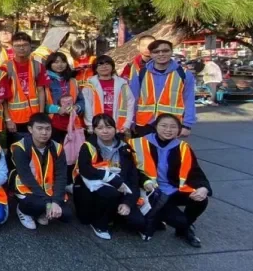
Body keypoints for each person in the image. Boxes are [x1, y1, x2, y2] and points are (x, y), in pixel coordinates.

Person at [131, 113, 211, 247]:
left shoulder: (182, 147)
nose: (168, 130)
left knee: (201, 199)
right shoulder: (138, 143)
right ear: (155, 127)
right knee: (180, 220)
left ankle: (182, 230)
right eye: (164, 126)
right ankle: (181, 226)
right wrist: (145, 182)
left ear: (179, 129)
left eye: (173, 127)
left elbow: (194, 171)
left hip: (174, 189)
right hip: (151, 192)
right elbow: (132, 171)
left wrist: (203, 188)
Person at [73, 114, 145, 240]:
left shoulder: (125, 148)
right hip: (90, 188)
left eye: (109, 127)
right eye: (100, 128)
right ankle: (99, 224)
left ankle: (114, 214)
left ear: (115, 128)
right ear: (94, 130)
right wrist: (110, 177)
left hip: (120, 189)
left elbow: (133, 178)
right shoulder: (88, 146)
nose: (105, 131)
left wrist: (127, 203)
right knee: (108, 195)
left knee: (138, 222)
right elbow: (85, 170)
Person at [10, 113, 70, 230]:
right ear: (30, 129)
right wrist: (48, 203)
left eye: (48, 129)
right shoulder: (21, 148)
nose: (44, 133)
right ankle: (23, 211)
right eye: (40, 128)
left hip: (48, 189)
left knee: (66, 214)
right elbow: (27, 178)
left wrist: (56, 202)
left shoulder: (57, 148)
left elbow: (61, 176)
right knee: (40, 205)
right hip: (27, 188)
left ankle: (43, 211)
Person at [130, 39, 196, 137]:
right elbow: (132, 99)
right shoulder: (141, 73)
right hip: (144, 124)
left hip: (171, 125)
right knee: (143, 152)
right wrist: (130, 122)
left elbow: (189, 100)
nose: (161, 54)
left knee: (168, 152)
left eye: (165, 51)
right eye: (156, 52)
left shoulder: (184, 74)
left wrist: (187, 125)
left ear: (171, 52)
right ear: (151, 54)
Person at [2, 32, 49, 139]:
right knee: (16, 150)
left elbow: (41, 90)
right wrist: (8, 119)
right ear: (12, 47)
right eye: (18, 46)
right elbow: (3, 97)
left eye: (25, 45)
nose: (21, 48)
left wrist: (41, 115)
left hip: (35, 116)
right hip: (15, 118)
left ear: (30, 46)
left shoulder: (37, 66)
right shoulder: (5, 67)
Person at [82, 55, 135, 136]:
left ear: (112, 66)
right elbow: (86, 106)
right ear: (95, 68)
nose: (104, 67)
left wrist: (127, 124)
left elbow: (130, 103)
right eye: (100, 64)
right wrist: (89, 124)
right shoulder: (90, 85)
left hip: (119, 126)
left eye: (107, 64)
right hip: (97, 126)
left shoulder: (122, 83)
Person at [43, 51, 84, 144]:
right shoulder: (45, 81)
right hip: (53, 123)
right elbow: (41, 104)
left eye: (63, 61)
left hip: (73, 123)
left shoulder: (73, 80)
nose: (60, 65)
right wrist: (58, 109)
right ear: (50, 64)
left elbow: (81, 100)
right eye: (56, 62)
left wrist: (77, 107)